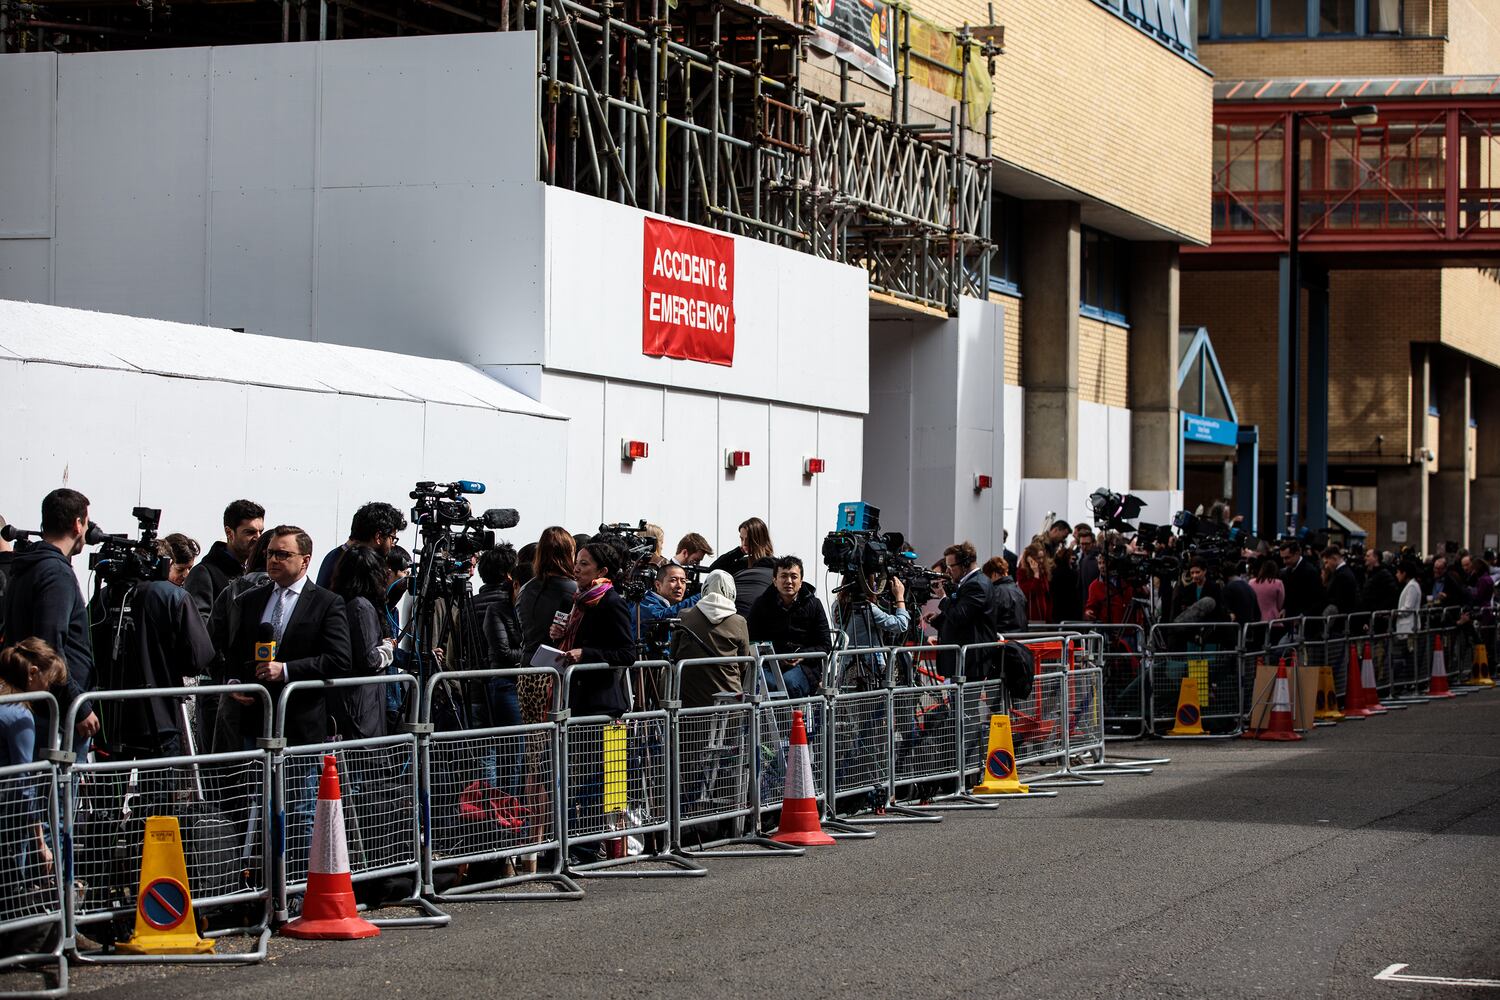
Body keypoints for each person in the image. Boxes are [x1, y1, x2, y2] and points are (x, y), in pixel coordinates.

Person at [220, 526, 351, 747]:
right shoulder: (251, 599)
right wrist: (234, 681)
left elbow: (339, 659)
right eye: (270, 553)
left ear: (305, 560)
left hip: (300, 723)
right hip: (256, 719)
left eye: (283, 554)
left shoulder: (326, 603)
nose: (273, 560)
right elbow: (235, 649)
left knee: (295, 782)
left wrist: (286, 670)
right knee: (255, 782)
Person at [3, 488, 98, 747]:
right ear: (78, 524)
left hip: (36, 702)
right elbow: (50, 649)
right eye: (87, 522)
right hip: (54, 711)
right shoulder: (55, 573)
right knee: (53, 786)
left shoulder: (27, 565)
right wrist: (77, 707)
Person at [0, 639, 68, 886]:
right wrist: (40, 842)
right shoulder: (19, 715)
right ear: (33, 673)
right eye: (49, 682)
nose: (48, 690)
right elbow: (24, 785)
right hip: (7, 821)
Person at [550, 540, 634, 717]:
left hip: (600, 703)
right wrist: (558, 635)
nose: (576, 569)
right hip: (572, 698)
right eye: (576, 563)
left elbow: (627, 654)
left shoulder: (612, 602)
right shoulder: (576, 600)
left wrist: (585, 654)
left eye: (584, 563)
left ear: (602, 571)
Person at [329, 545, 394, 741]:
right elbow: (370, 659)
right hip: (362, 706)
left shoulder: (341, 602)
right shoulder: (361, 607)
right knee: (363, 765)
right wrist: (387, 648)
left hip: (354, 702)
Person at [748, 556, 832, 697]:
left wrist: (801, 656)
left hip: (805, 667)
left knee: (789, 684)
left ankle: (791, 719)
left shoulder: (814, 604)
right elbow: (751, 639)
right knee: (767, 686)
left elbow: (825, 645)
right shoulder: (761, 604)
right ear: (774, 581)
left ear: (801, 581)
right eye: (783, 576)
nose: (789, 581)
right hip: (768, 663)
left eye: (794, 576)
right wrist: (774, 657)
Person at [672, 570, 751, 708]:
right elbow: (743, 663)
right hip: (729, 700)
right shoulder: (739, 621)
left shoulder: (684, 615)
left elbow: (673, 654)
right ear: (731, 591)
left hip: (688, 701)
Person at [184, 499, 265, 625]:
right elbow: (199, 626)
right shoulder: (204, 573)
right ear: (229, 532)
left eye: (261, 532)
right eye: (250, 532)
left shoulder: (258, 573)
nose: (258, 538)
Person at [925, 541, 996, 680]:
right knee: (957, 701)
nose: (947, 571)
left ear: (965, 564)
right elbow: (963, 616)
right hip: (964, 661)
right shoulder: (971, 583)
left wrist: (942, 597)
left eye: (951, 566)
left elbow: (959, 616)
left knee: (965, 701)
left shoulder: (976, 585)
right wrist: (939, 618)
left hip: (970, 662)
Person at [831, 574, 910, 687]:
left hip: (846, 667)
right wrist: (900, 597)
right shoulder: (868, 608)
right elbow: (901, 625)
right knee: (873, 703)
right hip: (871, 668)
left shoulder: (837, 606)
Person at [315, 501, 408, 589]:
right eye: (392, 538)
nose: (392, 545)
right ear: (378, 537)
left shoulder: (336, 555)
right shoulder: (356, 566)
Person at [634, 563, 701, 646]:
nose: (679, 586)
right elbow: (660, 617)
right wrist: (700, 597)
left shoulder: (669, 605)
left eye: (683, 581)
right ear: (658, 585)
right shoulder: (643, 602)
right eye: (673, 580)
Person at [707, 517, 773, 577]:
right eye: (742, 539)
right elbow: (712, 570)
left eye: (748, 540)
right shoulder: (742, 564)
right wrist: (738, 552)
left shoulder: (774, 565)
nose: (744, 543)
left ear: (759, 540)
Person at [1084, 550, 1136, 625]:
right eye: (1099, 563)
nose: (1102, 566)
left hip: (1131, 627)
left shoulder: (1126, 581)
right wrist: (1088, 612)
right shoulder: (1095, 586)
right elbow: (1091, 606)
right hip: (1110, 630)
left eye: (1105, 563)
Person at [1280, 541, 1325, 618]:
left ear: (1297, 554)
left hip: (1305, 620)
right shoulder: (1286, 572)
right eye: (1283, 558)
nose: (1284, 562)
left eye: (1287, 558)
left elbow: (1317, 599)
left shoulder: (1311, 572)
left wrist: (1304, 614)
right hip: (1290, 618)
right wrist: (1285, 608)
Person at [984, 557, 1028, 633]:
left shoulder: (995, 592)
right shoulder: (1018, 590)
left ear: (994, 574)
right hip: (1021, 638)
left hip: (1003, 638)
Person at [1015, 540, 1053, 624]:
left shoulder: (1043, 571)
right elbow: (1028, 591)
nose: (1041, 561)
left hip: (1044, 613)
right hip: (1031, 613)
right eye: (1038, 558)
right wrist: (1036, 574)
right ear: (1030, 558)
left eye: (1042, 557)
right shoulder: (1022, 572)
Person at [1322, 545, 1361, 616]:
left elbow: (1340, 600)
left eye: (1327, 562)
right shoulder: (1341, 572)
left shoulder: (1342, 575)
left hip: (1341, 619)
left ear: (1334, 558)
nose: (1326, 566)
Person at [1221, 561, 1261, 626]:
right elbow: (1257, 613)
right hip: (1249, 628)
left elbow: (1226, 611)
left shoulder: (1228, 588)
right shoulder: (1249, 587)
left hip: (1237, 628)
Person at [1249, 557, 1286, 623]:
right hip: (1273, 620)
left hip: (1254, 620)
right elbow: (1280, 604)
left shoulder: (1251, 582)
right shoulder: (1278, 583)